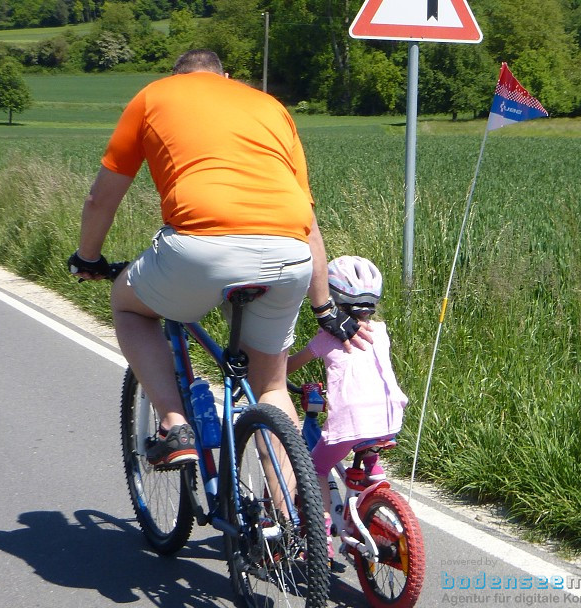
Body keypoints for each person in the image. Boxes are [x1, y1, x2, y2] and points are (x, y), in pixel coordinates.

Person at [68, 49, 368, 467]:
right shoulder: (271, 108)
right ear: (225, 77)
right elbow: (308, 222)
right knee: (272, 386)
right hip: (289, 253)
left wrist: (89, 258)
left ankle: (175, 425)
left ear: (176, 77)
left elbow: (100, 199)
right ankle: (290, 524)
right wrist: (325, 309)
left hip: (200, 248)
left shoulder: (155, 96)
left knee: (129, 306)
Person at [287, 256, 408, 560]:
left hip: (351, 420)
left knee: (315, 469)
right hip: (390, 414)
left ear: (335, 300)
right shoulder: (380, 331)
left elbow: (289, 367)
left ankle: (320, 531)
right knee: (367, 449)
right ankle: (378, 493)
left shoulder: (328, 336)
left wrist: (268, 373)